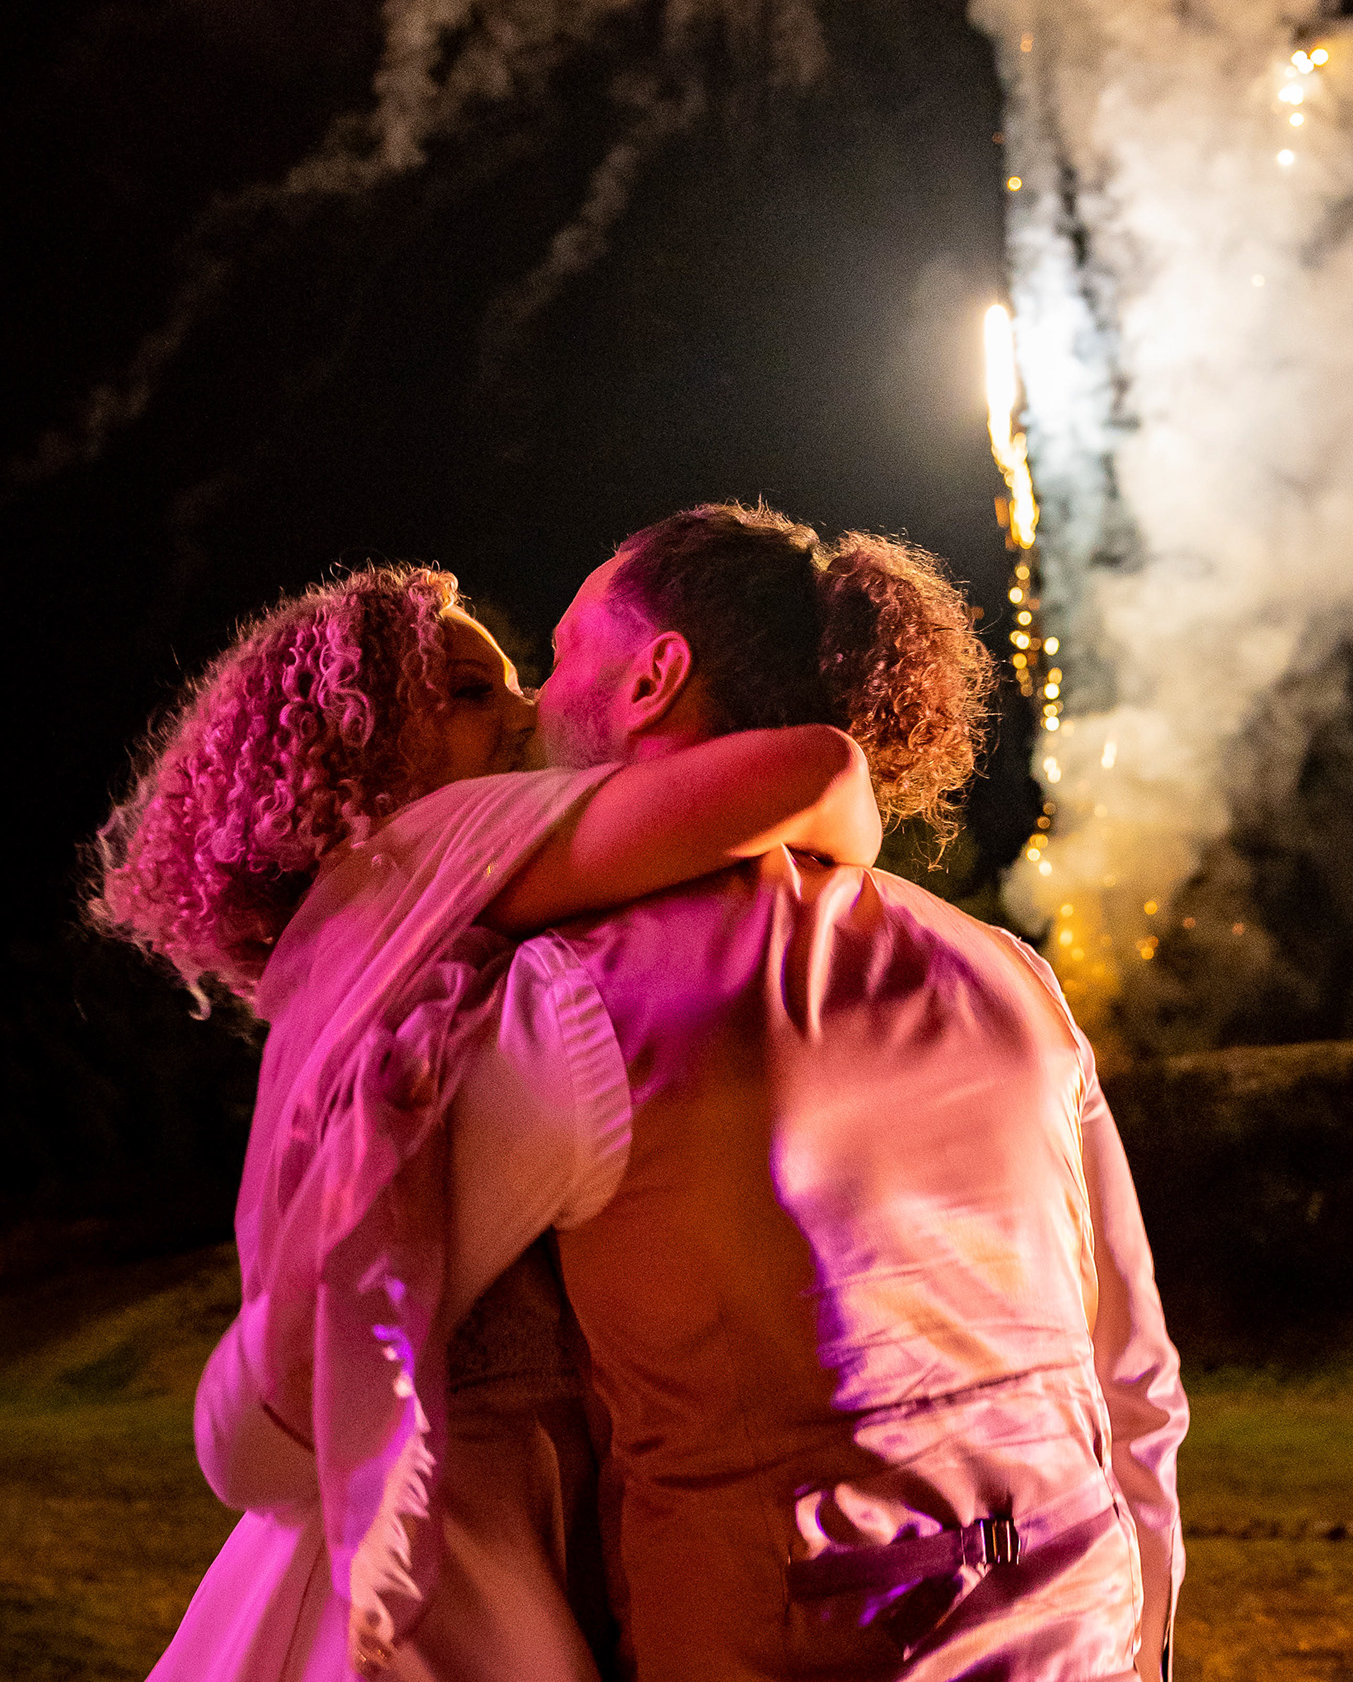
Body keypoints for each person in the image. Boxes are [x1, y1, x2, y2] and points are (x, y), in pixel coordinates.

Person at [91, 561, 881, 1682]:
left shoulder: (379, 915)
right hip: (452, 1529)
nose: (525, 714)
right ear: (347, 769)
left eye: (518, 680)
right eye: (468, 694)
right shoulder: (430, 848)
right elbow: (813, 770)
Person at [485, 503, 1187, 1682]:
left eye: (561, 658)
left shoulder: (570, 998)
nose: (532, 704)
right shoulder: (1011, 975)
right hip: (1083, 1633)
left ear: (653, 678)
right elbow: (1137, 1378)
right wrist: (1148, 1641)